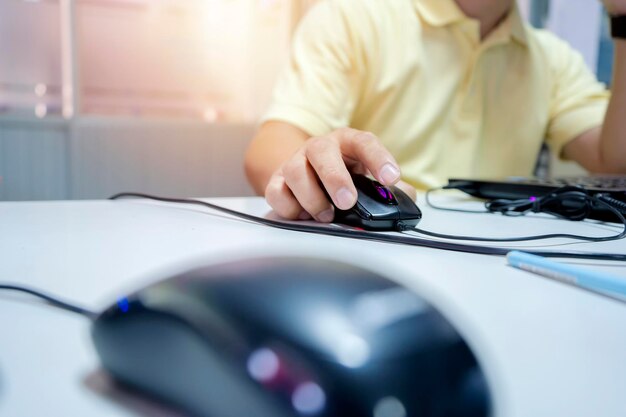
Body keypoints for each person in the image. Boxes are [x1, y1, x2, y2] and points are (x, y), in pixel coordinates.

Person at [244, 0, 626, 224]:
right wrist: (317, 175)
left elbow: (616, 162)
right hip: (381, 254)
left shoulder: (553, 59)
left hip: (502, 260)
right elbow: (272, 145)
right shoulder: (354, 15)